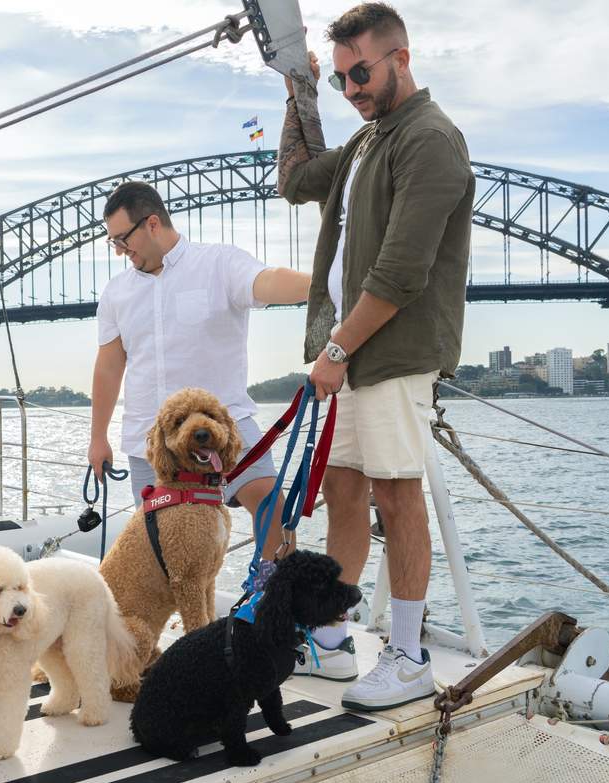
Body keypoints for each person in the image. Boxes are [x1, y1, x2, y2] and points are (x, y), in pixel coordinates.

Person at [278, 3, 474, 709]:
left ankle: (409, 655)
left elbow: (399, 273)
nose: (353, 87)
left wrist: (334, 349)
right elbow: (295, 178)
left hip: (385, 355)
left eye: (360, 71)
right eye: (340, 79)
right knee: (344, 493)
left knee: (396, 494)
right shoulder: (366, 143)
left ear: (401, 56)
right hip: (351, 356)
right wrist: (297, 93)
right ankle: (331, 640)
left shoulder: (428, 140)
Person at [89, 181, 312, 559]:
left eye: (123, 240)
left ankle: (279, 604)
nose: (119, 251)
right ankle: (177, 619)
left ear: (153, 223)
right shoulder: (116, 293)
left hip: (225, 424)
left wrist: (324, 285)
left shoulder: (218, 263)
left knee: (273, 508)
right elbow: (109, 367)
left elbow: (268, 281)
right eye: (113, 243)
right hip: (151, 439)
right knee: (157, 550)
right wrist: (98, 438)